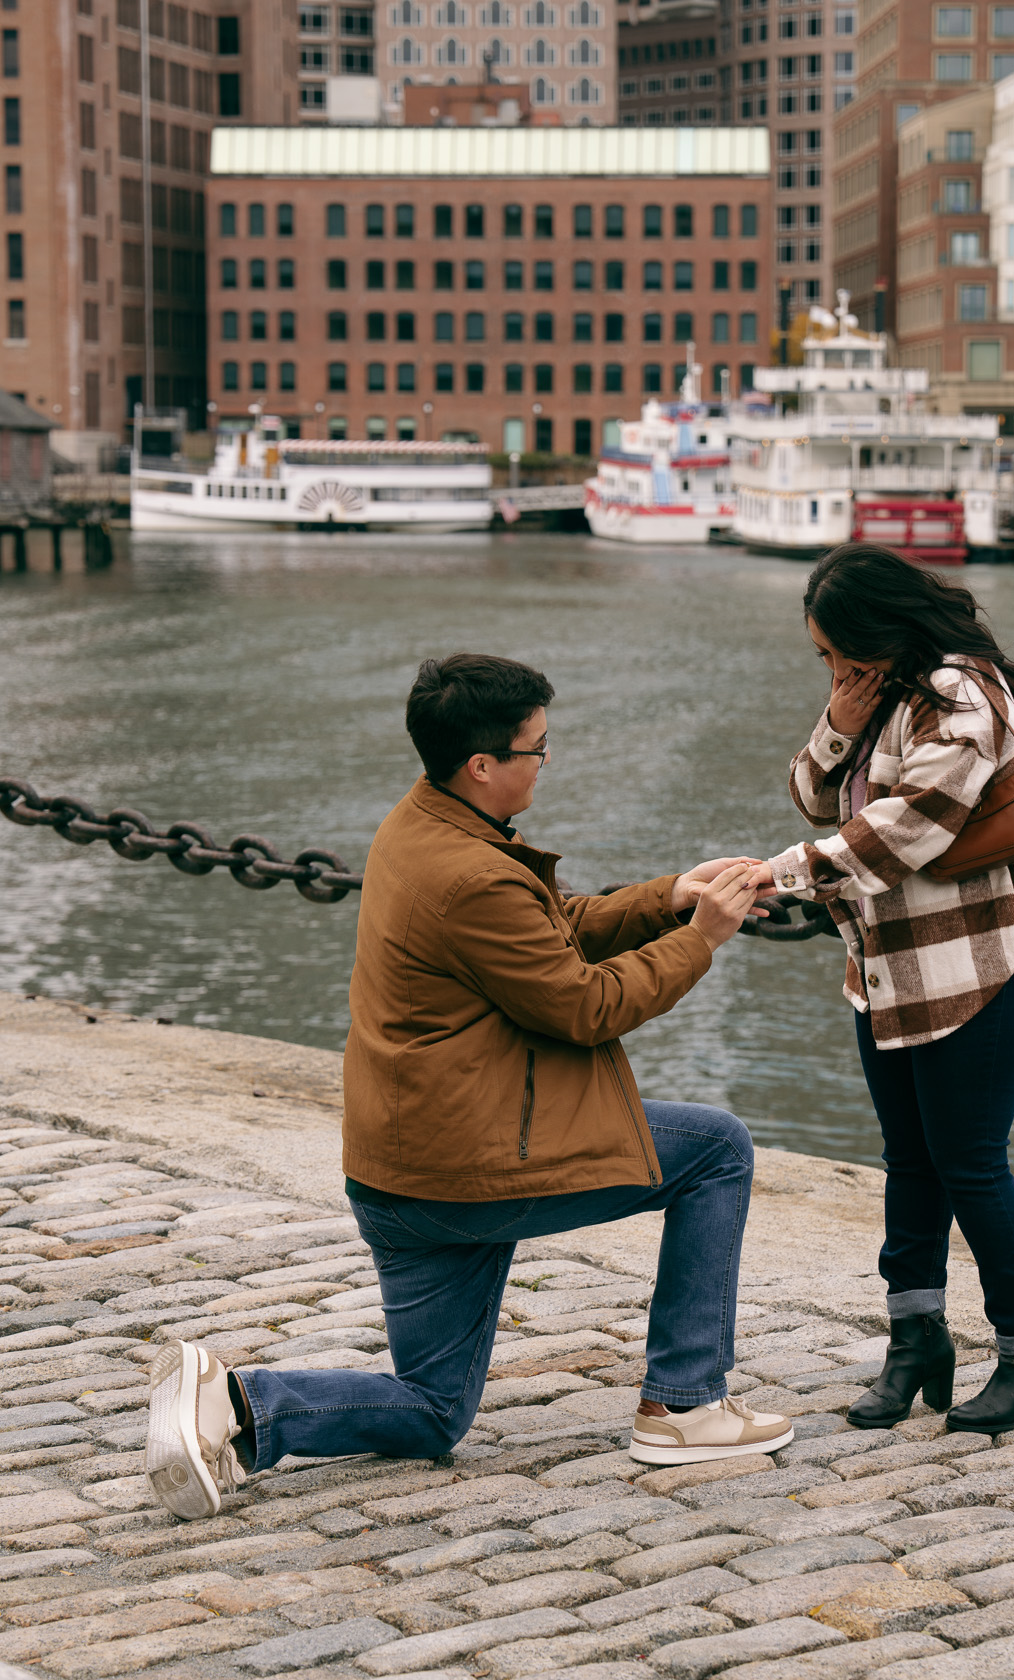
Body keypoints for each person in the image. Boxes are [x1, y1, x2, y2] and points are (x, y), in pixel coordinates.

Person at [147, 652, 791, 1521]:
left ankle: (236, 1404)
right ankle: (684, 1405)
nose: (546, 760)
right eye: (537, 747)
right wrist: (700, 937)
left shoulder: (419, 824)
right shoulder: (473, 873)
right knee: (716, 1149)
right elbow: (584, 1005)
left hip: (400, 1171)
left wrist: (668, 898)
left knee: (433, 1412)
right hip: (468, 1169)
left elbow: (543, 930)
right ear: (482, 764)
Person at [750, 544, 1014, 1436]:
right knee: (911, 1160)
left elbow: (903, 831)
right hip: (890, 969)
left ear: (880, 630)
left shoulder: (963, 695)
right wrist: (836, 720)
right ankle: (915, 1339)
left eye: (837, 654)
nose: (832, 670)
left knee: (969, 1160)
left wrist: (774, 875)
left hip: (982, 962)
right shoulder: (880, 694)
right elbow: (812, 794)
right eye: (822, 658)